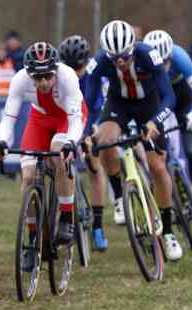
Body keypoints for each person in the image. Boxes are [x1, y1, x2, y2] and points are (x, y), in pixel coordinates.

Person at [85, 20, 182, 261]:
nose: (119, 61)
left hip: (149, 105)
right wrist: (88, 132)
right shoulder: (98, 63)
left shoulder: (148, 55)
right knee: (104, 141)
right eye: (114, 57)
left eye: (124, 56)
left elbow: (169, 97)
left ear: (133, 47)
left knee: (158, 167)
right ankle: (119, 196)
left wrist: (155, 122)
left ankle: (168, 232)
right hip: (118, 104)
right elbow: (88, 101)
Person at [0, 42, 86, 265]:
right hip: (40, 119)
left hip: (67, 118)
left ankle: (65, 216)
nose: (43, 82)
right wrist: (2, 142)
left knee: (57, 154)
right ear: (28, 73)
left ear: (56, 71)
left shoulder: (68, 76)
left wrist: (70, 143)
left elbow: (75, 121)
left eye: (47, 77)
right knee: (28, 177)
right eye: (37, 77)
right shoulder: (19, 80)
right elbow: (9, 118)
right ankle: (34, 238)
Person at [143, 30, 192, 233]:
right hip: (158, 102)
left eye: (166, 62)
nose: (163, 68)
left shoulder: (181, 58)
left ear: (171, 57)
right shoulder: (143, 63)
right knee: (157, 158)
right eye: (159, 63)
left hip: (183, 100)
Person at [59, 34, 109, 251]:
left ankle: (98, 225)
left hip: (92, 118)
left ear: (86, 63)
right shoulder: (60, 75)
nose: (73, 70)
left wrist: (91, 133)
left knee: (94, 164)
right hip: (68, 119)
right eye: (69, 65)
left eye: (77, 66)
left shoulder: (94, 75)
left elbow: (100, 107)